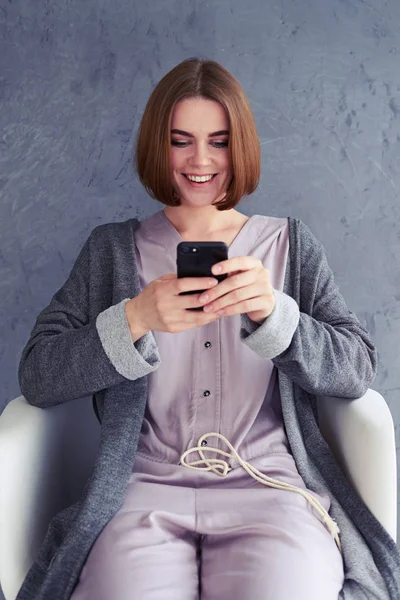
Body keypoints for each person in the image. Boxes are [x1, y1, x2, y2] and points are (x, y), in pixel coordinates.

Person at [16, 58, 400, 600]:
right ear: (158, 144)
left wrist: (275, 313)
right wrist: (135, 319)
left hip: (270, 488)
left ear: (239, 146)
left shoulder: (290, 246)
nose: (200, 161)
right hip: (144, 490)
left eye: (218, 141)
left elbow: (357, 367)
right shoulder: (111, 250)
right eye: (181, 141)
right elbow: (38, 374)